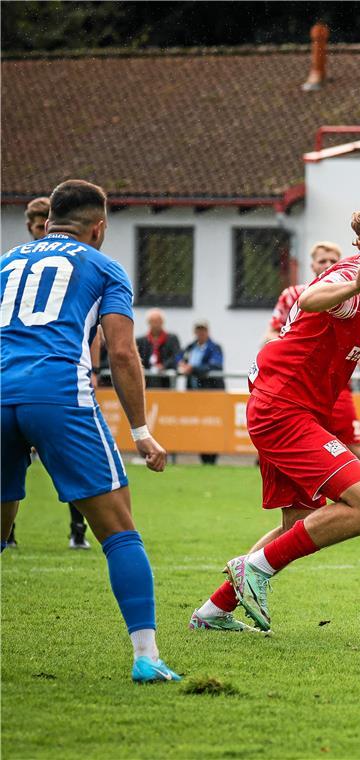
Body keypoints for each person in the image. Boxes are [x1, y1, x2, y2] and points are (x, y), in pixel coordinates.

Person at [189, 207, 360, 634]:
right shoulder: (357, 278)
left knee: (298, 527)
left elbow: (327, 312)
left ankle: (214, 611)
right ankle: (255, 570)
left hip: (283, 404)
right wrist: (353, 291)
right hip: (283, 410)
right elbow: (310, 298)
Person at [1, 179, 180, 683]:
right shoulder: (103, 266)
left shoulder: (8, 261)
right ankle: (146, 657)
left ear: (48, 219)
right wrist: (141, 429)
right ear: (98, 227)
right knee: (121, 532)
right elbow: (122, 352)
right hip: (59, 395)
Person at [267, 242, 360, 539]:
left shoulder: (359, 292)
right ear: (312, 264)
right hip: (288, 398)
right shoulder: (308, 292)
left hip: (325, 394)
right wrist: (284, 353)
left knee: (299, 522)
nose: (328, 263)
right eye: (322, 260)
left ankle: (241, 574)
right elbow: (303, 308)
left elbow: (351, 332)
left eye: (333, 259)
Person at [5, 197, 92, 551]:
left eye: (46, 222)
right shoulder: (18, 264)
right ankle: (8, 534)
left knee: (72, 459)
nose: (42, 229)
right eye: (37, 224)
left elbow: (91, 326)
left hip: (59, 376)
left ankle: (77, 529)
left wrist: (94, 368)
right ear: (30, 226)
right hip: (24, 376)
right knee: (14, 461)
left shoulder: (15, 262)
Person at [178, 319, 224, 464]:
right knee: (199, 426)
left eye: (203, 330)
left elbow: (215, 366)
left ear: (207, 331)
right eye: (198, 330)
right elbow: (179, 360)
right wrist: (181, 365)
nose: (200, 333)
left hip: (210, 394)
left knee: (212, 426)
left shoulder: (215, 348)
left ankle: (211, 457)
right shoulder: (190, 348)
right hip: (194, 394)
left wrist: (193, 369)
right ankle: (202, 455)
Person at [135, 309, 181, 389]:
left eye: (158, 321)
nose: (155, 324)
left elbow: (176, 356)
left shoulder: (172, 339)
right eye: (153, 321)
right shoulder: (141, 341)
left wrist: (163, 366)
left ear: (162, 322)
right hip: (147, 380)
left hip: (166, 379)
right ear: (148, 323)